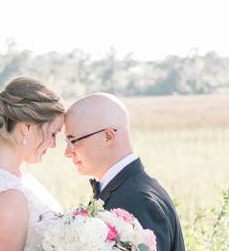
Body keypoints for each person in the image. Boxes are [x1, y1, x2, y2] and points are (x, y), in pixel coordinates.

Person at [64, 92, 186, 251]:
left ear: (108, 136)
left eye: (73, 141)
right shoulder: (128, 190)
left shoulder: (138, 202)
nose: (67, 152)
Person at [0, 76, 65, 251]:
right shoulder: (6, 198)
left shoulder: (14, 174)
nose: (53, 144)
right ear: (27, 127)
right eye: (53, 133)